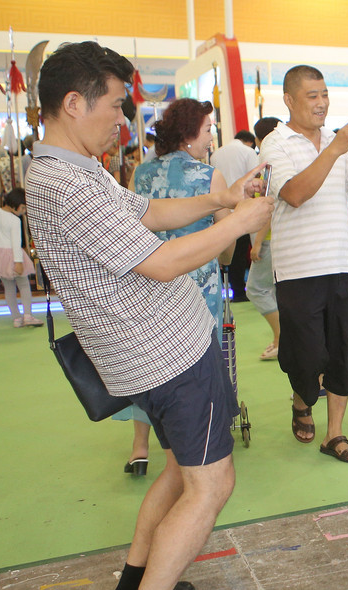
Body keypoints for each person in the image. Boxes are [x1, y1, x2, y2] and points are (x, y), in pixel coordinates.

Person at [25, 41, 272, 590]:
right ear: (73, 102)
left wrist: (220, 200)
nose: (121, 120)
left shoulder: (72, 169)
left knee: (179, 473)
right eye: (113, 105)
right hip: (170, 356)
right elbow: (160, 262)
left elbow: (148, 213)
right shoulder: (65, 179)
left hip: (151, 355)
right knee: (212, 485)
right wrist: (240, 223)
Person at [259, 64, 348, 463]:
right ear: (290, 100)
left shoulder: (336, 143)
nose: (322, 103)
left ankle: (335, 434)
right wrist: (335, 150)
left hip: (342, 264)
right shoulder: (275, 143)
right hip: (297, 269)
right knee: (306, 354)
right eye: (312, 96)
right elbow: (294, 193)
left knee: (343, 351)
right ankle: (301, 398)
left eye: (325, 94)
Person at [114, 98, 238, 477]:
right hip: (197, 285)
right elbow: (226, 244)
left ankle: (140, 446)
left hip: (148, 282)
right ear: (189, 134)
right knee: (195, 363)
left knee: (148, 361)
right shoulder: (208, 176)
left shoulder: (140, 172)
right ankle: (192, 445)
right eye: (207, 130)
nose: (211, 137)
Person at [0, 187, 42, 327]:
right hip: (13, 256)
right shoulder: (14, 220)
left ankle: (16, 318)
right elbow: (16, 243)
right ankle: (28, 315)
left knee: (9, 288)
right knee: (24, 285)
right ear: (15, 205)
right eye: (23, 208)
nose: (24, 211)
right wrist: (18, 262)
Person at [246, 116, 283, 360]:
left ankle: (281, 338)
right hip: (279, 237)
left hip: (270, 236)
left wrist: (258, 240)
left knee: (256, 289)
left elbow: (270, 204)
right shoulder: (282, 157)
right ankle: (281, 338)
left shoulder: (269, 162)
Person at [211, 129, 259, 302]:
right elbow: (256, 177)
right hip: (241, 207)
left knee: (223, 249)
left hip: (220, 207)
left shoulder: (217, 153)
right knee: (239, 253)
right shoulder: (248, 152)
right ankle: (239, 291)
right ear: (249, 141)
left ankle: (227, 288)